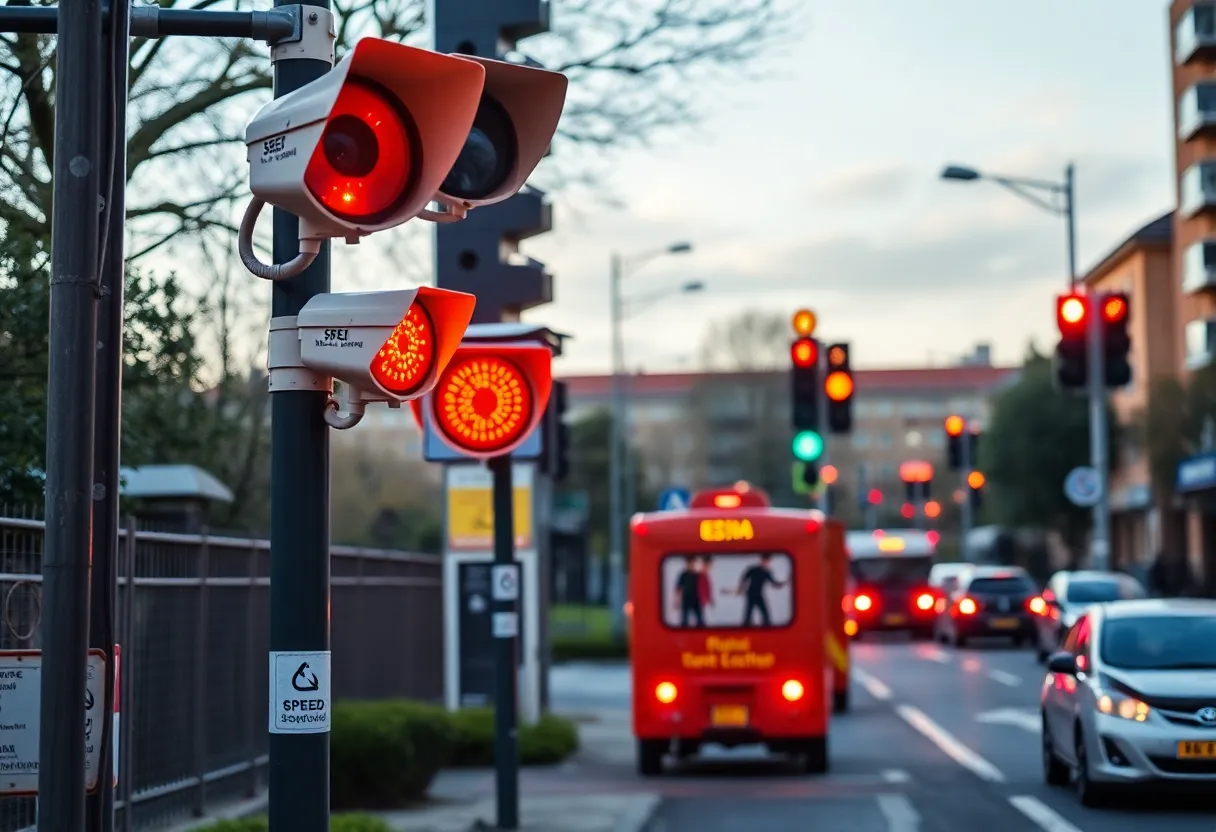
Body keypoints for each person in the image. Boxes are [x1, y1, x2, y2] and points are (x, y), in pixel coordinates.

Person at [725, 554, 787, 627]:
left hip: (759, 595)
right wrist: (740, 589)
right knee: (748, 616)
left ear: (769, 562)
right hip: (751, 594)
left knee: (766, 616)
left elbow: (774, 583)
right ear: (761, 560)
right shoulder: (753, 569)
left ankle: (767, 633)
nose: (765, 563)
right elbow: (744, 578)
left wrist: (782, 583)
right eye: (764, 561)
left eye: (767, 561)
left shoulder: (767, 572)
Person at [672, 556, 705, 627]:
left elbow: (703, 588)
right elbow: (678, 588)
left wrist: (705, 598)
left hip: (697, 600)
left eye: (692, 562)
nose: (691, 564)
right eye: (689, 563)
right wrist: (676, 601)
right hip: (686, 599)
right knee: (684, 621)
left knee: (701, 621)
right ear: (686, 564)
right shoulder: (683, 575)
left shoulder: (698, 575)